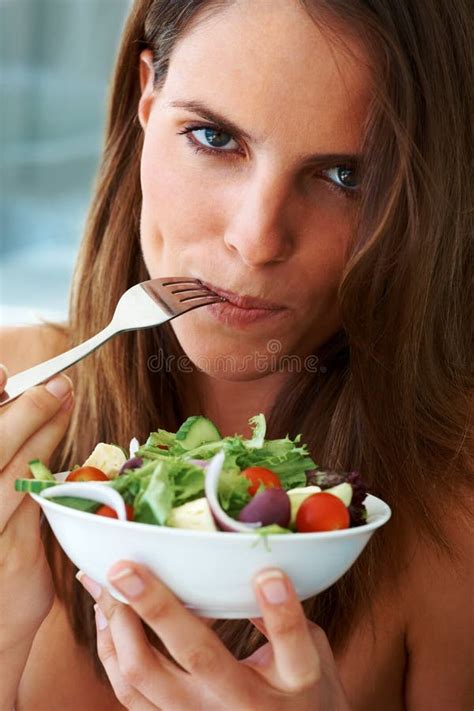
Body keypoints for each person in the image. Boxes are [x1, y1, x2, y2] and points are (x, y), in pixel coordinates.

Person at [1, 0, 472, 708]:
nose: (257, 240)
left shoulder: (455, 506)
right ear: (146, 97)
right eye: (214, 136)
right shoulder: (18, 395)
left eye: (346, 176)